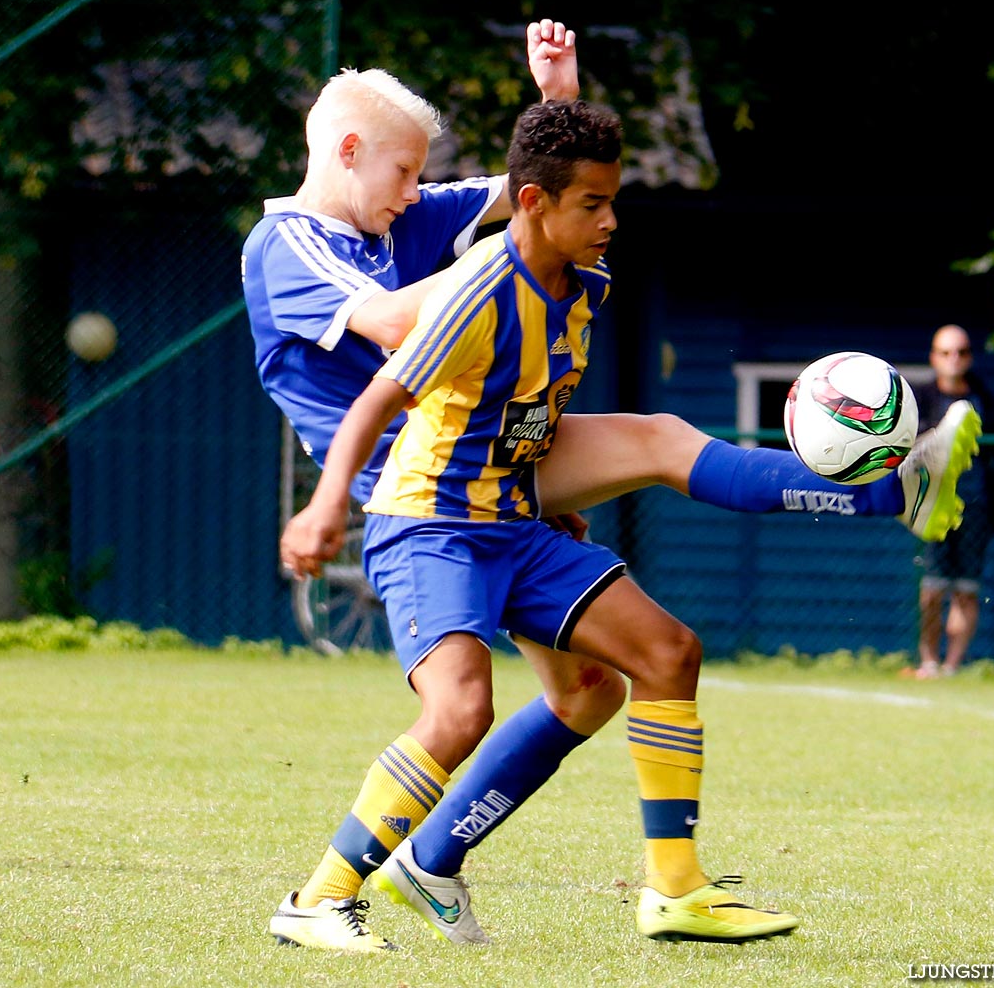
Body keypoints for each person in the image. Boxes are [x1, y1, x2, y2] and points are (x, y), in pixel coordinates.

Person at [244, 25, 980, 952]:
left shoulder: (407, 215)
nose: (416, 194)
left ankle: (441, 863)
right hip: (418, 478)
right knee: (642, 460)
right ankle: (887, 491)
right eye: (403, 174)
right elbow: (406, 317)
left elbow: (538, 188)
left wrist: (556, 96)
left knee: (594, 685)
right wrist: (497, 280)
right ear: (347, 154)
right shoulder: (290, 243)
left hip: (500, 467)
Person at [280, 97, 805, 947]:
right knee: (459, 711)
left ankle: (675, 890)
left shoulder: (582, 282)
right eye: (591, 204)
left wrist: (552, 505)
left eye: (612, 200)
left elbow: (525, 410)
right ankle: (316, 899)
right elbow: (379, 398)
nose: (609, 220)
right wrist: (326, 503)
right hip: (430, 525)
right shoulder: (476, 290)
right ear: (535, 205)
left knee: (667, 653)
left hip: (516, 522)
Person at [911, 325, 994, 678]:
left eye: (960, 352)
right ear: (934, 357)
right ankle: (928, 662)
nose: (953, 359)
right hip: (933, 506)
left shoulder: (988, 403)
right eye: (945, 352)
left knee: (966, 590)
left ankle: (951, 666)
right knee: (932, 589)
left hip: (976, 507)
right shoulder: (920, 401)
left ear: (969, 357)